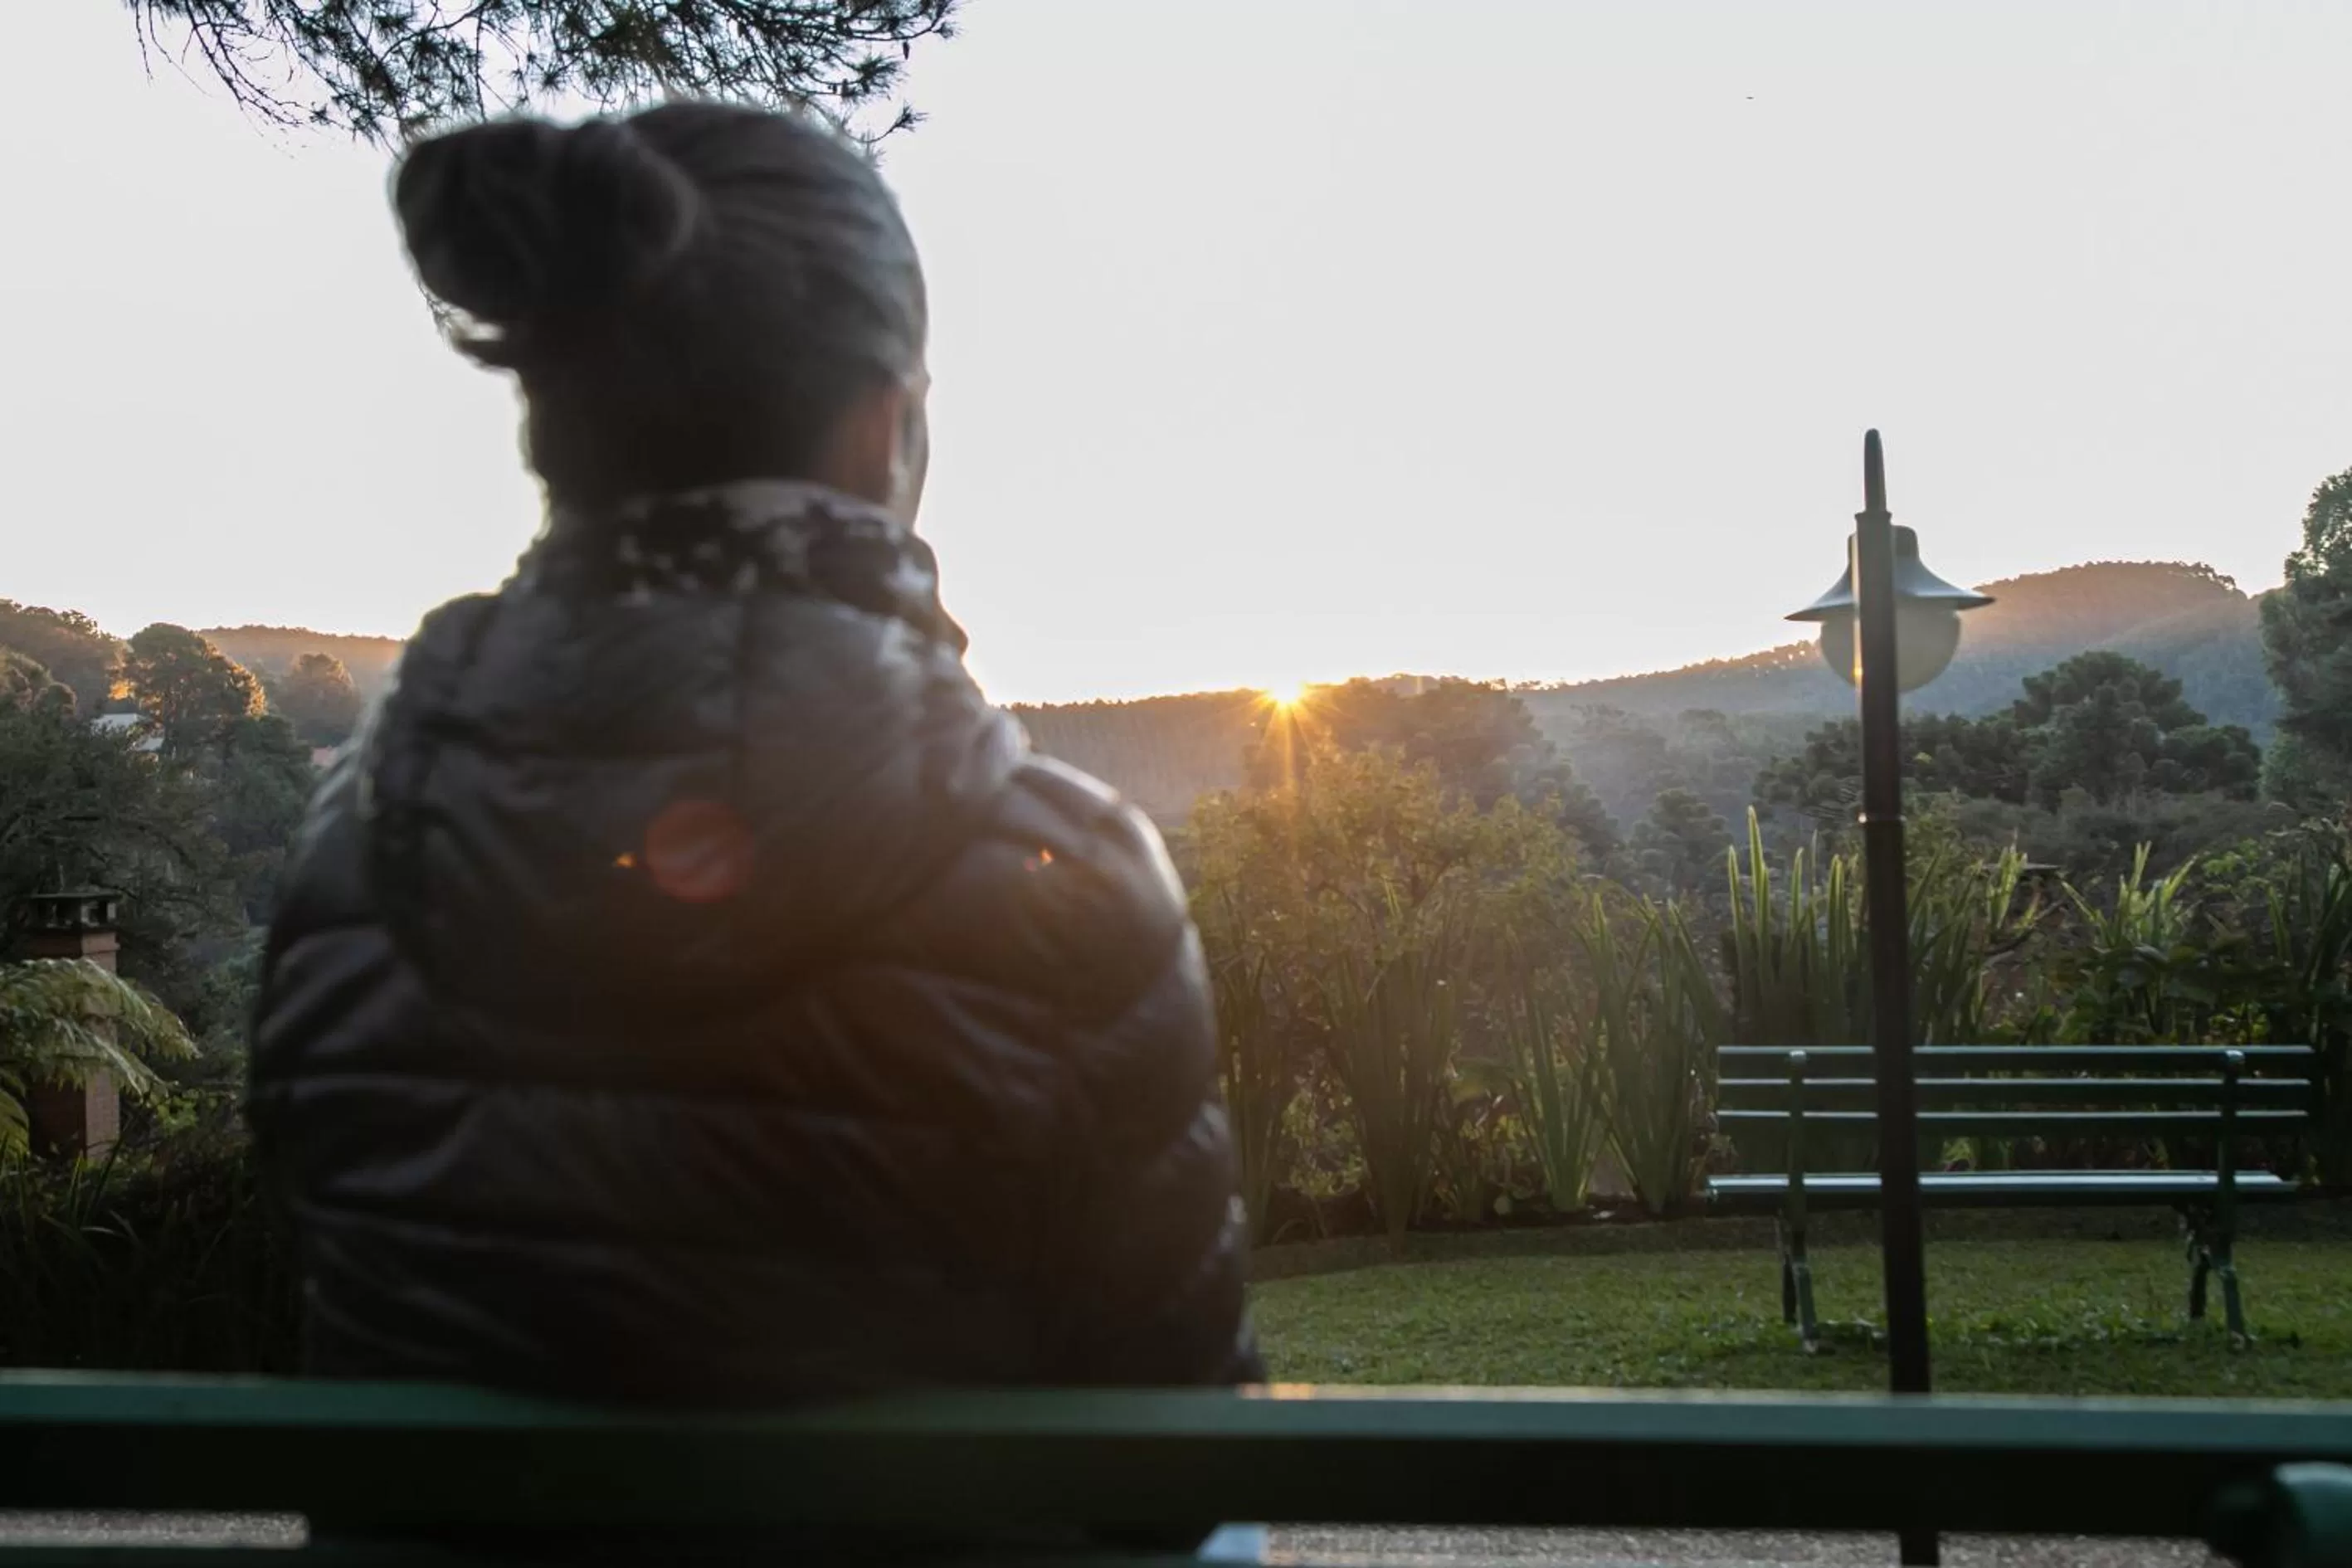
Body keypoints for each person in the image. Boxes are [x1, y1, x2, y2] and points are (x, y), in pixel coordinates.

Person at [246, 103, 1263, 1420]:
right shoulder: (1070, 878)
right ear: (881, 431)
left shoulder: (349, 855)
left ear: (560, 426)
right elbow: (1172, 1446)